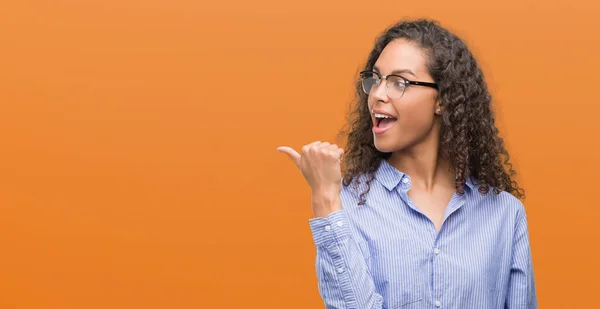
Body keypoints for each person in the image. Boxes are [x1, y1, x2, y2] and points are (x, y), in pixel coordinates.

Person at [277, 18, 537, 309]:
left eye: (399, 82)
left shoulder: (504, 214)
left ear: (443, 100)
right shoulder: (346, 205)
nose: (377, 94)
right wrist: (324, 198)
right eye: (375, 79)